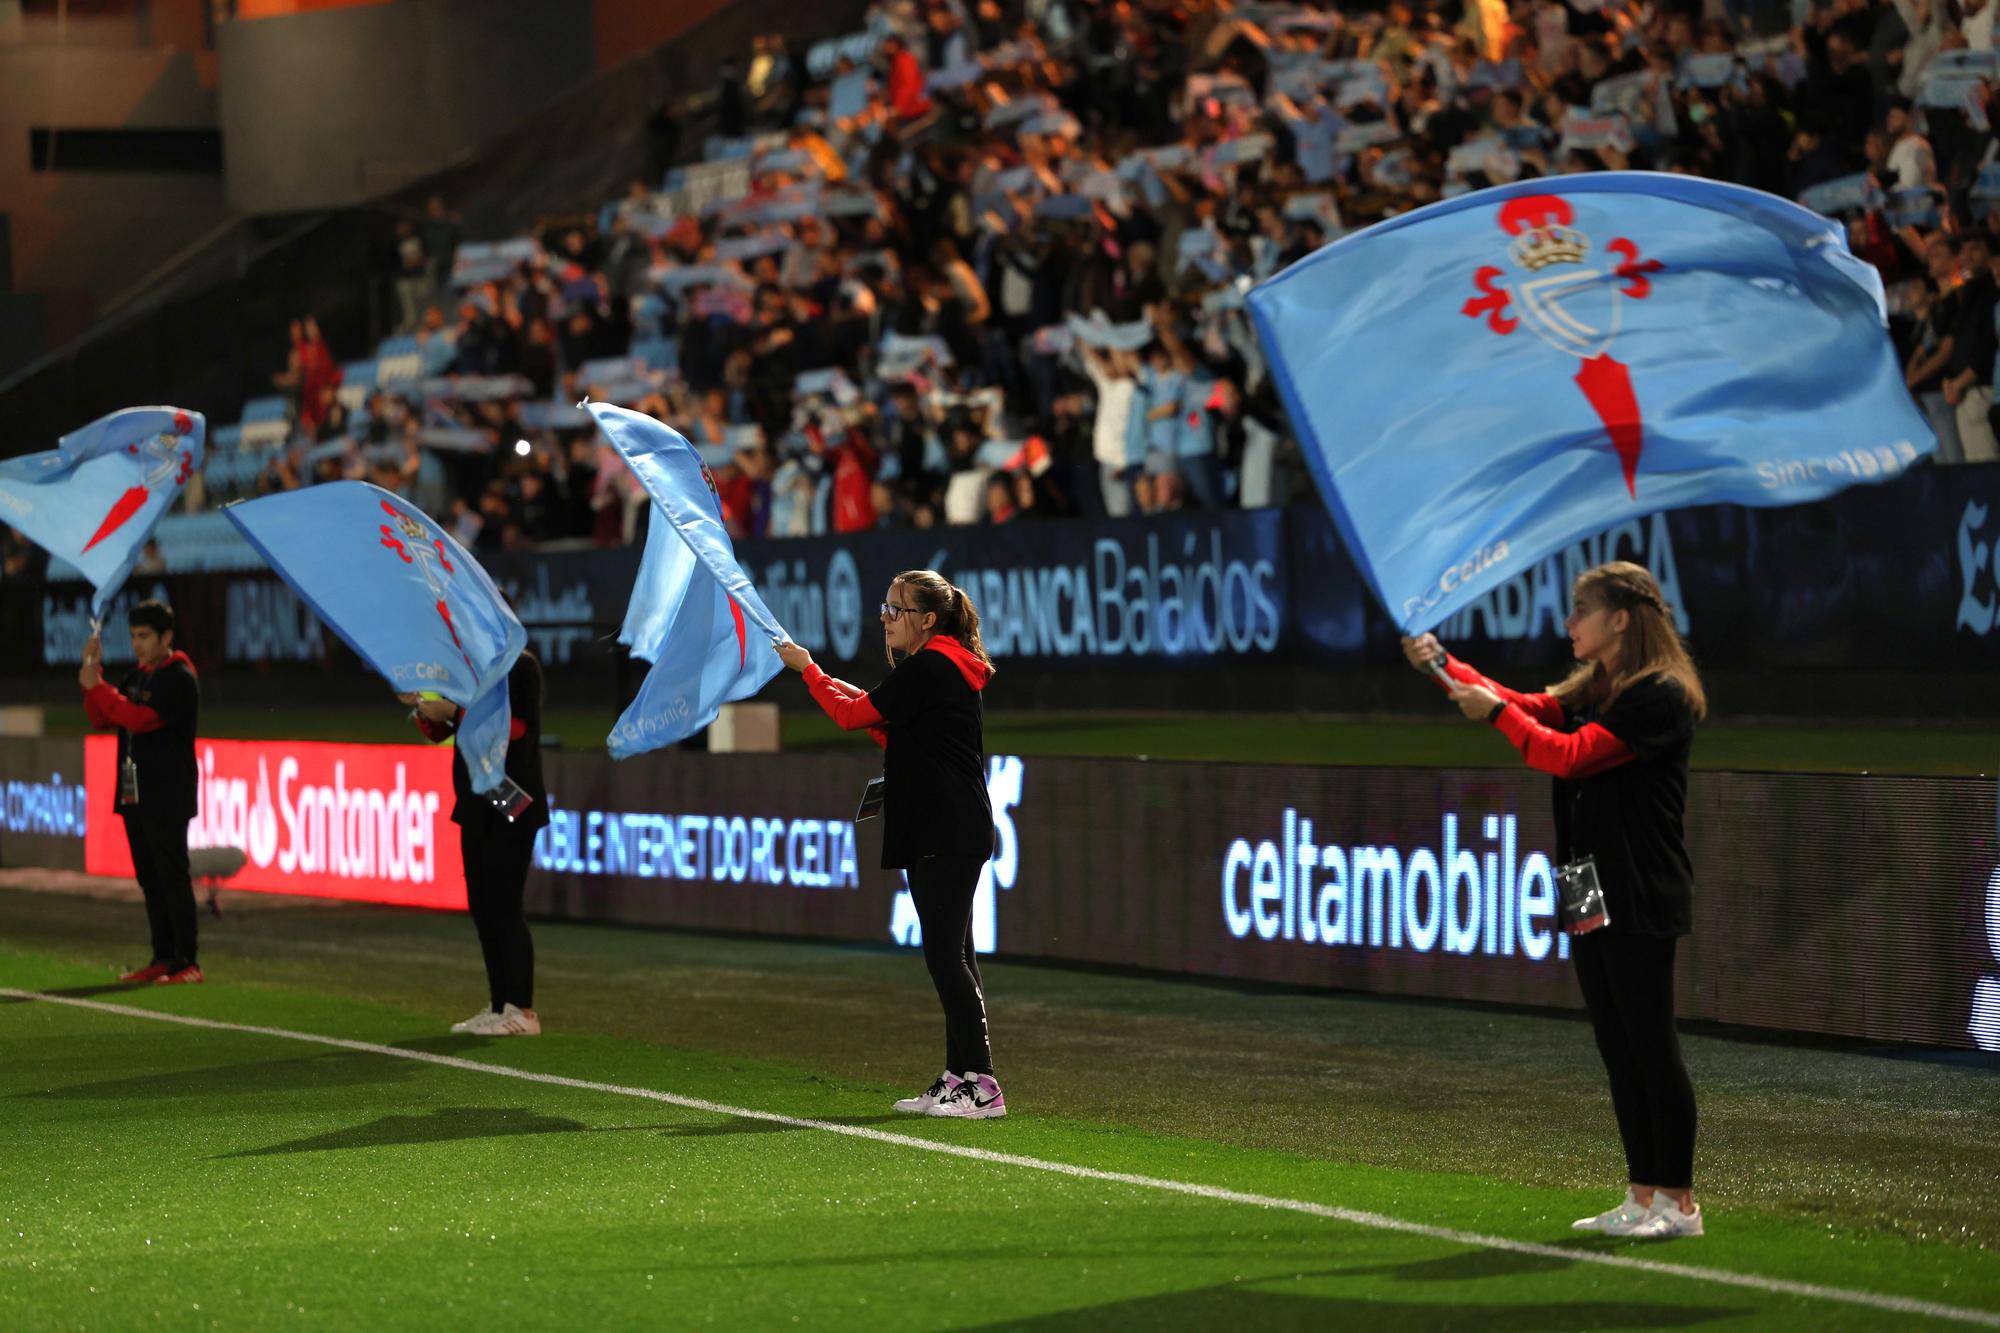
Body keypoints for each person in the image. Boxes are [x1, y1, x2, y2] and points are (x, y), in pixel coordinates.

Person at [1403, 560, 1706, 1241]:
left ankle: (1679, 1204)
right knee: (1616, 1046)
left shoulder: (1659, 693)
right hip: (1585, 880)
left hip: (1638, 883)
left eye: (1581, 610)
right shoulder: (1598, 684)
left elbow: (1565, 754)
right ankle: (1642, 1195)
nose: (1569, 623)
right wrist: (1441, 664)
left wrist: (1497, 713)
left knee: (1651, 1046)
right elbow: (1524, 705)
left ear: (1620, 619)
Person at [773, 571, 1004, 1119]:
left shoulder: (931, 665)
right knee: (956, 956)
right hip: (943, 824)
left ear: (928, 619)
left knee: (947, 958)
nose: (885, 617)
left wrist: (809, 671)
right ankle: (959, 1077)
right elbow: (885, 722)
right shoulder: (938, 665)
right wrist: (828, 680)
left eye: (897, 609)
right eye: (885, 606)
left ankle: (984, 1085)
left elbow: (853, 715)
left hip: (945, 826)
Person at [402, 651, 548, 1036]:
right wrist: (422, 707)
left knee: (505, 905)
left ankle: (523, 1010)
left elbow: (516, 728)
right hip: (476, 805)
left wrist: (455, 710)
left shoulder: (519, 666)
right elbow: (440, 732)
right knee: (483, 907)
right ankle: (500, 1005)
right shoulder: (466, 669)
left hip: (513, 804)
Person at [80, 601, 202, 984]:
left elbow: (138, 719)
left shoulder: (179, 678)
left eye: (145, 636)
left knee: (172, 875)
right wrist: (92, 673)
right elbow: (102, 716)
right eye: (133, 636)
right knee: (150, 878)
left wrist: (97, 686)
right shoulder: (137, 678)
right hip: (135, 794)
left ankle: (187, 961)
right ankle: (163, 957)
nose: (137, 644)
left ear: (167, 637)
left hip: (167, 793)